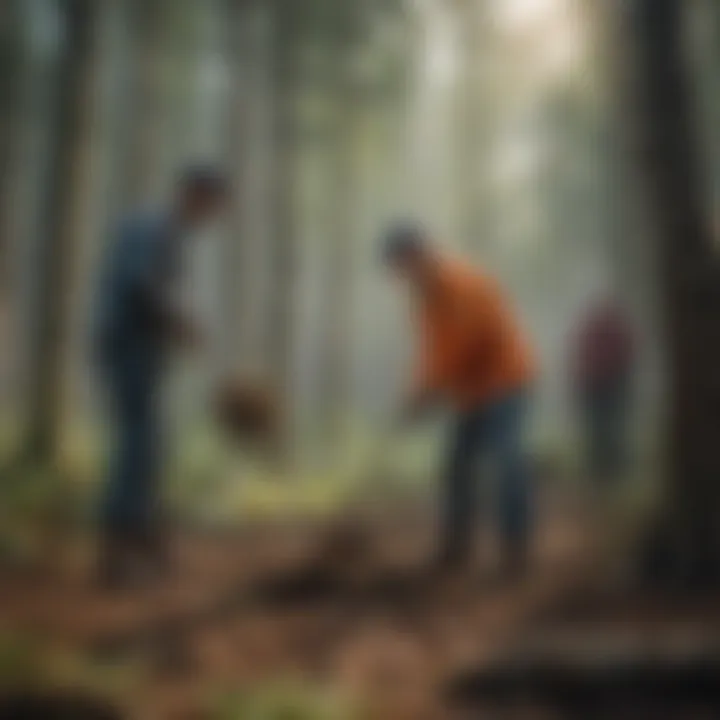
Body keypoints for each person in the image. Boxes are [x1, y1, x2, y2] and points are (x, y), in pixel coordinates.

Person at [93, 165, 228, 588]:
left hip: (142, 350)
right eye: (212, 205)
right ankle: (120, 551)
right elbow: (140, 287)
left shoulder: (167, 234)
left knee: (149, 442)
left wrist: (176, 325)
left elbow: (152, 291)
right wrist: (179, 322)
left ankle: (143, 536)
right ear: (195, 194)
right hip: (127, 347)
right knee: (137, 443)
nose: (211, 217)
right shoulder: (153, 228)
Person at [383, 223, 537, 575]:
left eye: (400, 264)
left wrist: (428, 391)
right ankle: (456, 546)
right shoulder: (424, 297)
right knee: (456, 468)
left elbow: (470, 339)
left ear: (415, 254)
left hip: (505, 383)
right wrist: (417, 391)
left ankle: (516, 550)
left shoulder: (464, 282)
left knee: (508, 463)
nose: (400, 274)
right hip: (470, 393)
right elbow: (431, 352)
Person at [572, 296, 635, 486]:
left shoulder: (616, 329)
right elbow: (581, 356)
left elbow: (628, 354)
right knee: (597, 428)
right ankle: (600, 470)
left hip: (612, 383)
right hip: (594, 385)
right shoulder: (592, 330)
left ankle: (613, 469)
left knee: (612, 426)